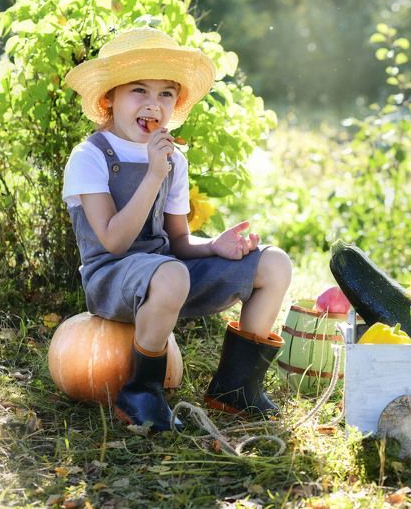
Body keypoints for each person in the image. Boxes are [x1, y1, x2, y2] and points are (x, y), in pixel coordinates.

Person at [62, 27, 292, 432]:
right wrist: (153, 174)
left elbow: (179, 243)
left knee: (273, 263)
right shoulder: (91, 156)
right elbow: (114, 242)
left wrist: (215, 247)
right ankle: (142, 390)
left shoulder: (174, 160)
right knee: (170, 273)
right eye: (139, 90)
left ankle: (236, 389)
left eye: (165, 93)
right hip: (111, 278)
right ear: (108, 98)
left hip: (170, 275)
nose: (153, 104)